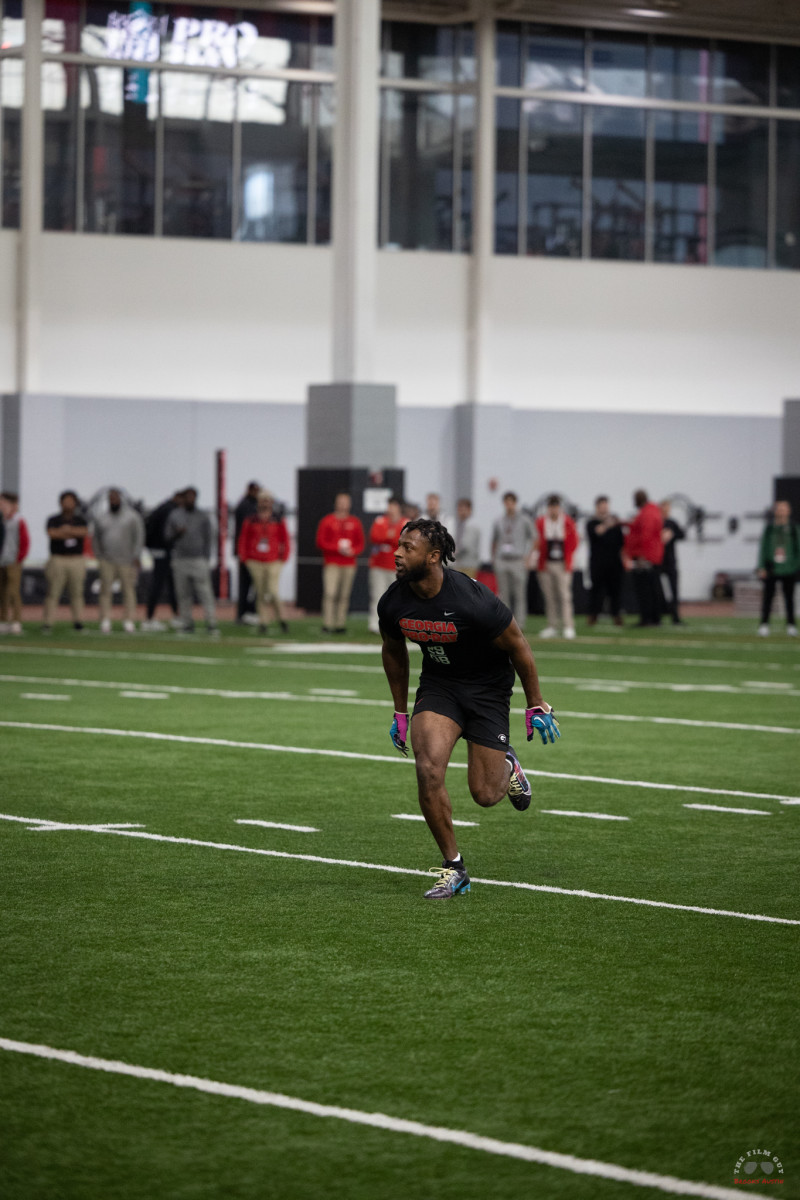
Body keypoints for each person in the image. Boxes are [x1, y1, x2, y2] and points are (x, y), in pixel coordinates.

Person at [378, 519, 560, 900]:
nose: (397, 552)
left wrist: (535, 704)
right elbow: (394, 651)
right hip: (440, 686)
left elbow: (519, 646)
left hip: (488, 690)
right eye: (399, 544)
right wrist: (399, 712)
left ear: (433, 557)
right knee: (428, 769)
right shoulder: (393, 601)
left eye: (407, 547)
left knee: (484, 794)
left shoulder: (471, 599)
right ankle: (454, 867)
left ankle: (507, 765)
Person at [164, 487, 218, 634]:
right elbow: (167, 537)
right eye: (187, 497)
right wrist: (177, 533)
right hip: (180, 559)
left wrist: (206, 558)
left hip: (198, 559)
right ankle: (187, 623)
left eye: (192, 497)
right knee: (183, 594)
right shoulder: (175, 515)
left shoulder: (202, 516)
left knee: (205, 592)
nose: (190, 500)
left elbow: (209, 538)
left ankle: (211, 622)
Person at [236, 490, 291, 635]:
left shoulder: (277, 519)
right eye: (263, 500)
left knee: (273, 591)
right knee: (260, 592)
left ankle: (282, 619)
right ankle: (263, 622)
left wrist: (284, 557)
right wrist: (245, 558)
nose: (265, 503)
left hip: (273, 560)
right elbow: (243, 539)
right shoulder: (251, 520)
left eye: (268, 500)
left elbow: (285, 539)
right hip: (255, 561)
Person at [92, 488, 145, 633]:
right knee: (105, 591)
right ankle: (105, 620)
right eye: (111, 498)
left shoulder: (132, 517)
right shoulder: (101, 517)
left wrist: (136, 556)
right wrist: (100, 556)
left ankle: (128, 620)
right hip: (107, 560)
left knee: (128, 591)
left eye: (115, 498)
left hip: (127, 560)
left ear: (121, 499)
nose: (113, 501)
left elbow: (138, 537)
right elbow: (96, 538)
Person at [315, 492, 365, 634]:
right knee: (330, 593)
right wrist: (337, 548)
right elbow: (320, 542)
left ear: (349, 504)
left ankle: (340, 624)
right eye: (340, 501)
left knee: (344, 595)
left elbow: (360, 544)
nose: (343, 504)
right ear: (335, 503)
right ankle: (327, 623)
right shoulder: (327, 520)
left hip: (349, 563)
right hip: (332, 562)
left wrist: (352, 551)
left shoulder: (355, 522)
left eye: (345, 502)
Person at [42, 490, 89, 632]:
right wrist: (70, 532)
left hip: (76, 559)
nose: (68, 504)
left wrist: (66, 530)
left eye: (71, 501)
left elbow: (84, 532)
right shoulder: (54, 519)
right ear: (61, 503)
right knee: (53, 592)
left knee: (77, 593)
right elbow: (52, 533)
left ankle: (78, 622)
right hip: (58, 559)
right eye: (65, 501)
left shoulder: (80, 519)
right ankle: (47, 623)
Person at [534, 494, 579, 639]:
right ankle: (552, 625)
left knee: (564, 595)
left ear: (559, 508)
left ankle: (568, 625)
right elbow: (537, 542)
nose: (553, 510)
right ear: (548, 508)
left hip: (562, 563)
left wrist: (568, 559)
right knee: (549, 596)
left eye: (555, 507)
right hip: (546, 563)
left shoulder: (567, 522)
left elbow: (574, 542)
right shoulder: (541, 522)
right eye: (550, 507)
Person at [491, 491, 535, 629]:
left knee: (519, 594)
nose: (509, 505)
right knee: (504, 594)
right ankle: (507, 623)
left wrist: (528, 557)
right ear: (504, 503)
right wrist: (494, 558)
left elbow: (534, 538)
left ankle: (520, 623)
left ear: (515, 503)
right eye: (506, 502)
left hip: (518, 560)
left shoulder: (524, 520)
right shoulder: (499, 520)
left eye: (511, 502)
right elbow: (494, 540)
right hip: (502, 559)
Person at [756, 499, 799, 637]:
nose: (781, 511)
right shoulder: (769, 529)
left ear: (788, 511)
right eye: (779, 508)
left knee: (789, 598)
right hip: (772, 568)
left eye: (784, 508)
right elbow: (763, 548)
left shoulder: (793, 529)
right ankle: (764, 624)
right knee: (768, 597)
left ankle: (791, 625)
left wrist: (795, 565)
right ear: (775, 511)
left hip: (788, 569)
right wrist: (761, 566)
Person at [141, 490, 183, 631]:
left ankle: (175, 616)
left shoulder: (162, 507)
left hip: (159, 550)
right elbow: (166, 534)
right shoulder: (169, 510)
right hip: (163, 551)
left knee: (170, 584)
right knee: (159, 585)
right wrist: (176, 536)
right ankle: (149, 618)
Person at [623, 489, 664, 627]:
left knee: (645, 589)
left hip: (646, 556)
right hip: (652, 555)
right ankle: (654, 618)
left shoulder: (647, 513)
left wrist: (642, 556)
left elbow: (645, 535)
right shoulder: (652, 511)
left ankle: (647, 618)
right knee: (652, 588)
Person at [367, 495, 405, 634]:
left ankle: (396, 624)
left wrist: (388, 537)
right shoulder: (380, 520)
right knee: (377, 595)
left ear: (399, 508)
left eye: (393, 506)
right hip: (378, 564)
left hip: (397, 566)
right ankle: (375, 624)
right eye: (389, 506)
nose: (390, 509)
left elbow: (402, 540)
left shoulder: (405, 522)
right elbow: (374, 537)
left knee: (397, 597)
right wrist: (390, 537)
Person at [586, 496, 625, 627]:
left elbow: (621, 542)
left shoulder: (616, 524)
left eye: (606, 506)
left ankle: (616, 615)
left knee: (615, 591)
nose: (604, 508)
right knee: (596, 591)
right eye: (602, 506)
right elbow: (596, 532)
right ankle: (593, 615)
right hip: (598, 563)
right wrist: (607, 524)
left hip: (614, 563)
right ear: (597, 507)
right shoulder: (592, 522)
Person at [0, 491, 30, 635]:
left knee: (13, 591)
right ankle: (3, 620)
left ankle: (16, 621)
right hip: (1, 561)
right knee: (2, 592)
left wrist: (19, 558)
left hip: (13, 561)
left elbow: (24, 541)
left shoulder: (18, 520)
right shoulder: (1, 519)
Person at [234, 481, 261, 624]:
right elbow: (243, 533)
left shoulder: (251, 505)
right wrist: (240, 552)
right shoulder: (245, 507)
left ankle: (248, 612)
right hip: (246, 553)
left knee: (255, 585)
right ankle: (243, 613)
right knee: (246, 585)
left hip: (253, 553)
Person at [659, 499, 686, 625]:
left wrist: (672, 534)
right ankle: (658, 614)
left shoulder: (672, 523)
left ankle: (675, 616)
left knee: (674, 590)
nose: (666, 510)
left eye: (667, 507)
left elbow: (682, 534)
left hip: (670, 561)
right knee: (658, 590)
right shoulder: (657, 522)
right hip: (659, 561)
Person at [453, 497, 481, 578]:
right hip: (457, 564)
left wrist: (454, 552)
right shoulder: (457, 524)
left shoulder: (473, 525)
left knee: (467, 588)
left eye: (463, 509)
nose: (461, 512)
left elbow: (466, 545)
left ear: (469, 510)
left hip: (469, 564)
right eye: (459, 509)